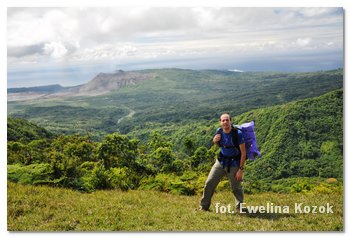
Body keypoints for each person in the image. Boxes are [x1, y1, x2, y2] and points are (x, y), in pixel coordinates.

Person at [200, 113, 246, 212]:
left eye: (227, 120)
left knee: (236, 187)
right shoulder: (219, 131)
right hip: (221, 162)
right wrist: (215, 141)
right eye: (223, 120)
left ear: (231, 121)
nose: (225, 122)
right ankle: (204, 206)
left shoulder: (238, 134)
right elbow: (220, 145)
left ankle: (239, 208)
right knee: (209, 183)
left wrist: (241, 170)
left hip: (234, 163)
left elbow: (243, 153)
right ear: (220, 122)